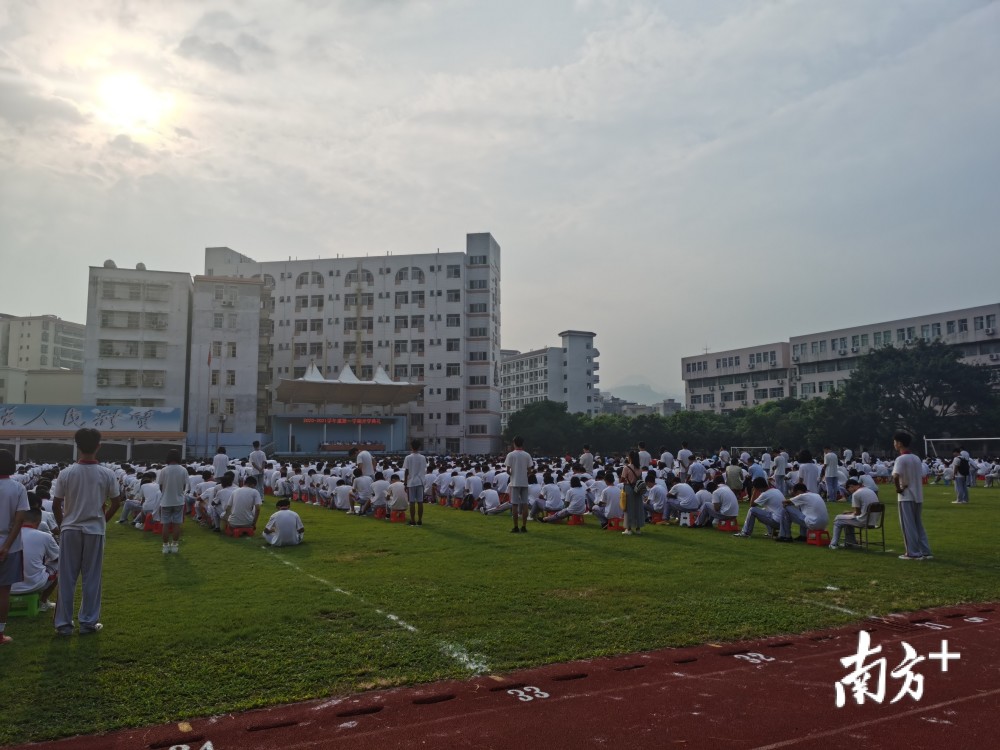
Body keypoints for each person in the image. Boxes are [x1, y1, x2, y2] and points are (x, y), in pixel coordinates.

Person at [53, 428, 122, 636]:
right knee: (92, 577)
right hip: (94, 530)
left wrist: (63, 524)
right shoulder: (107, 473)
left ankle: (64, 625)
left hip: (70, 529)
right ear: (98, 446)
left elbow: (56, 504)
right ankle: (88, 623)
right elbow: (116, 502)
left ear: (77, 446)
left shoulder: (66, 473)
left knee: (66, 578)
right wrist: (103, 521)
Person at [1, 449, 30, 645]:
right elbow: (19, 520)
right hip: (8, 544)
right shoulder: (18, 488)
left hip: (7, 543)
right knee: (3, 591)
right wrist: (6, 546)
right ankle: (0, 634)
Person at [892, 431, 932, 560]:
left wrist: (898, 489)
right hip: (918, 495)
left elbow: (895, 476)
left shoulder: (901, 458)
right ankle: (925, 550)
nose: (894, 444)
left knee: (907, 525)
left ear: (900, 443)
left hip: (906, 495)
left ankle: (912, 552)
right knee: (918, 524)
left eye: (895, 442)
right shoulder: (916, 458)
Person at [11, 508, 60, 611]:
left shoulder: (7, 535)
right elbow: (58, 557)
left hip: (7, 586)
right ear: (38, 523)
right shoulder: (45, 536)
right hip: (34, 584)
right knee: (59, 565)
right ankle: (43, 602)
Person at [830, 479, 880, 548]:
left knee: (838, 519)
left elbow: (857, 513)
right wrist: (850, 513)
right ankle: (850, 542)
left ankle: (833, 544)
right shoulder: (870, 491)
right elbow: (862, 510)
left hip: (863, 521)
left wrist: (850, 514)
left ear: (851, 486)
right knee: (846, 520)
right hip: (873, 521)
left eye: (848, 489)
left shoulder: (856, 494)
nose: (849, 492)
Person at [158, 449, 188, 554]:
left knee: (165, 525)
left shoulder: (164, 470)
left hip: (166, 500)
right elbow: (185, 485)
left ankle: (165, 547)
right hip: (179, 500)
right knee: (176, 524)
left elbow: (160, 485)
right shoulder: (183, 470)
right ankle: (175, 545)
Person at [503, 436, 534, 533]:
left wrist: (513, 474)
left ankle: (516, 527)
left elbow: (508, 470)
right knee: (525, 504)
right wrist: (525, 475)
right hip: (524, 482)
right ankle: (524, 526)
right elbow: (530, 470)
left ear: (514, 443)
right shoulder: (527, 455)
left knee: (515, 505)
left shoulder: (511, 455)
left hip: (515, 482)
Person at [403, 439, 427, 526]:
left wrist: (405, 483)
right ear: (419, 447)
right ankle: (420, 520)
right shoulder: (423, 457)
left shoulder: (408, 457)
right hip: (420, 481)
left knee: (412, 502)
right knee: (420, 502)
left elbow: (406, 471)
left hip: (411, 482)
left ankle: (413, 520)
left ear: (411, 446)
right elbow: (424, 469)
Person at [620, 451, 644, 536]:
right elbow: (640, 479)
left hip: (629, 489)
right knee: (638, 508)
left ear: (630, 458)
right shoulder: (639, 468)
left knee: (628, 508)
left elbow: (622, 480)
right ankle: (638, 529)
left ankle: (628, 528)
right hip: (637, 489)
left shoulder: (626, 468)